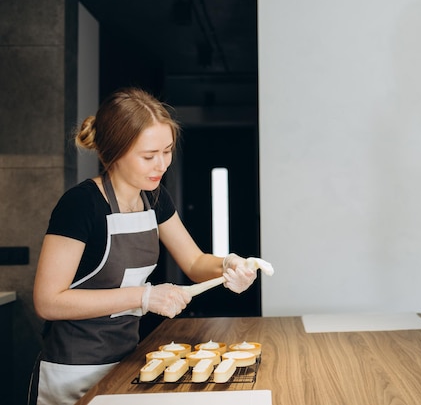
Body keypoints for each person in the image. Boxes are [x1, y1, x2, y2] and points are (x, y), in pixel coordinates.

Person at [32, 87, 264, 405]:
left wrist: (227, 265)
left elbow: (195, 262)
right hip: (71, 373)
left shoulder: (154, 198)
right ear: (114, 152)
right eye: (148, 156)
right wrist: (144, 297)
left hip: (127, 361)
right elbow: (48, 301)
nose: (162, 164)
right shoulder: (81, 205)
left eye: (167, 151)